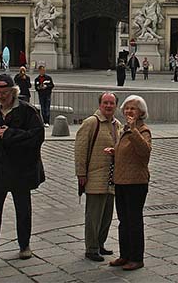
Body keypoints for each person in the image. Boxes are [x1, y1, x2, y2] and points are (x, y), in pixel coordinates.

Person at [0, 74, 45, 276]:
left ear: (13, 92)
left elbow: (37, 136)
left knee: (23, 210)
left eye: (4, 93)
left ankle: (24, 244)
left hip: (21, 170)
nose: (0, 96)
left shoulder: (28, 111)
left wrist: (9, 133)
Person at [74, 92, 122, 262]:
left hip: (112, 178)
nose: (108, 106)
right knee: (94, 215)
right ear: (100, 104)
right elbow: (80, 150)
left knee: (107, 215)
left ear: (116, 105)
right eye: (105, 103)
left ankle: (100, 243)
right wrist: (81, 173)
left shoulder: (117, 125)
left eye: (111, 103)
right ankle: (91, 248)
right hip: (94, 176)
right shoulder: (91, 123)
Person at [106, 95, 151, 272]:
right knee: (124, 221)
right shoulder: (125, 129)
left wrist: (134, 130)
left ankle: (136, 258)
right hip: (121, 181)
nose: (128, 111)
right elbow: (127, 151)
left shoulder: (143, 130)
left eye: (133, 108)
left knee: (134, 221)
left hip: (136, 183)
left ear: (141, 112)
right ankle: (125, 254)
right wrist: (115, 152)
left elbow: (144, 152)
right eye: (127, 108)